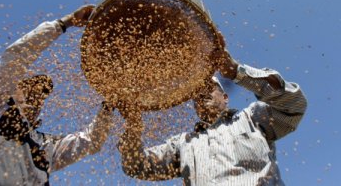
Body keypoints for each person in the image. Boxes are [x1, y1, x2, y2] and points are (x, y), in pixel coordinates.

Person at [118, 34, 307, 186]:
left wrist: (236, 72)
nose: (201, 94)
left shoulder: (252, 119)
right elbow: (136, 165)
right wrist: (133, 128)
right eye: (196, 94)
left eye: (208, 88)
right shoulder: (182, 143)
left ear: (225, 97)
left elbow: (294, 104)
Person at [0, 5, 113, 186]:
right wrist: (64, 23)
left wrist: (109, 104)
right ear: (11, 90)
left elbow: (91, 141)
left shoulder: (45, 145)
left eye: (41, 96)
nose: (36, 97)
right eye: (29, 89)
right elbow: (16, 56)